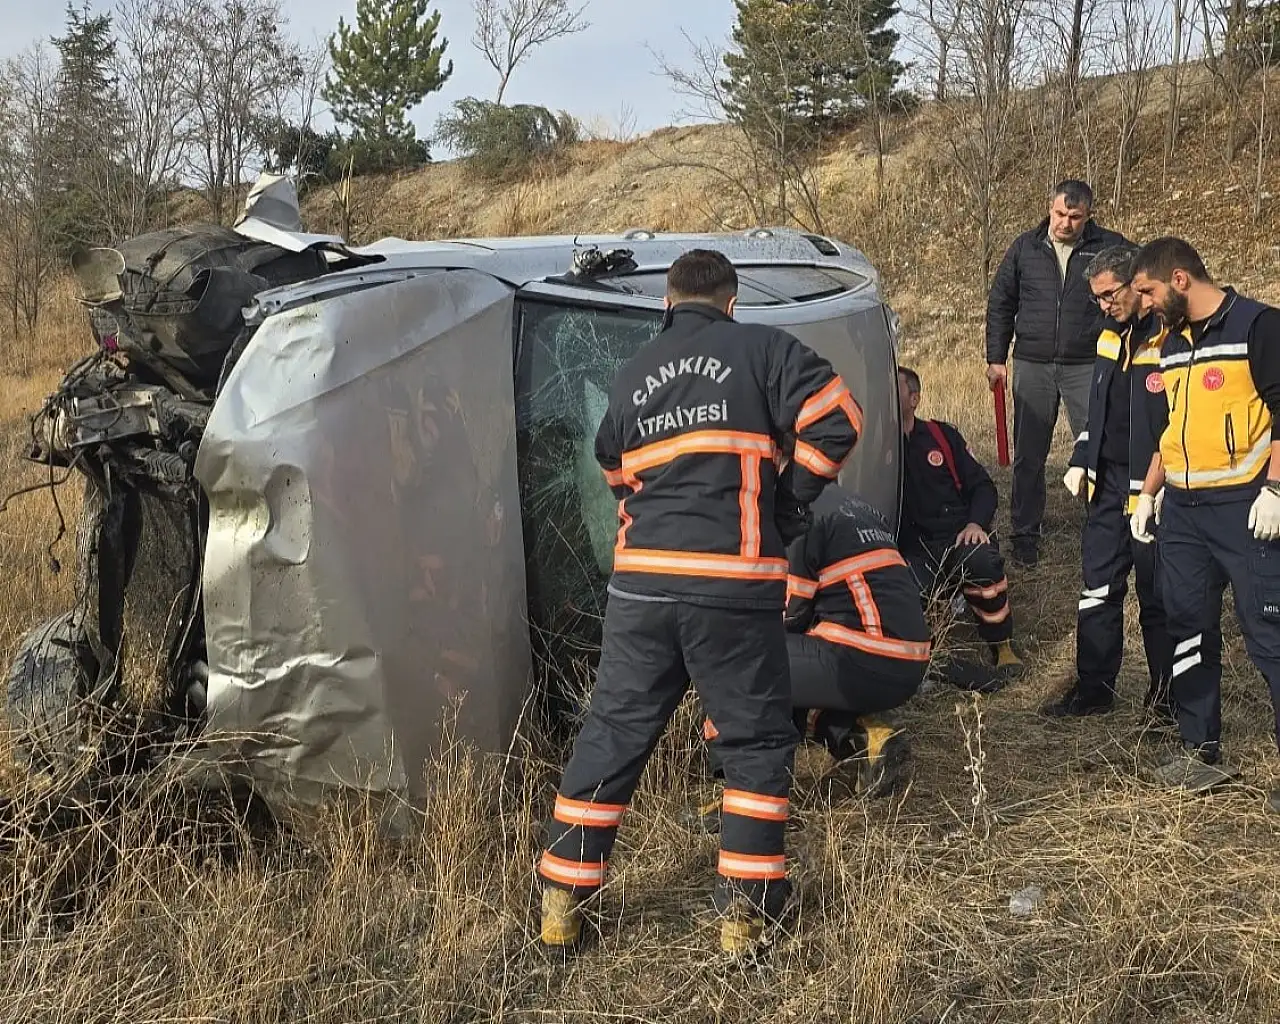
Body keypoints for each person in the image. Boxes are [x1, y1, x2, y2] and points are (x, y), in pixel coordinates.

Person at [537, 248, 861, 955]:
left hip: (642, 584)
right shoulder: (761, 348)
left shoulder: (632, 373)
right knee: (752, 741)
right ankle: (743, 917)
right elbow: (838, 419)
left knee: (613, 733)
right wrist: (785, 500)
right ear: (732, 302)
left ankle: (561, 899)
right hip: (731, 584)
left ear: (667, 304)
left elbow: (611, 466)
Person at [1128, 237, 1280, 796]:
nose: (1142, 302)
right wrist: (1149, 494)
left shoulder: (1258, 326)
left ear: (1180, 280)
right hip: (1184, 516)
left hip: (1246, 507)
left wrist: (1277, 489)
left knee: (1271, 633)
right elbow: (1173, 430)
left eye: (1148, 290)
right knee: (1187, 627)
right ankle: (1200, 751)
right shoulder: (1171, 345)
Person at [696, 489, 931, 825]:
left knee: (740, 660)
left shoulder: (795, 515)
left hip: (864, 652)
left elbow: (786, 613)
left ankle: (751, 796)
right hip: (904, 658)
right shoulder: (851, 503)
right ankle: (867, 736)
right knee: (793, 664)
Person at [1043, 243, 1180, 720]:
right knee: (1097, 590)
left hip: (1154, 489)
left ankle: (1165, 702)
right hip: (1106, 489)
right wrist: (1083, 456)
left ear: (1137, 282)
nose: (1103, 305)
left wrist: (1157, 487)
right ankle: (1094, 690)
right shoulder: (1108, 335)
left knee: (1158, 596)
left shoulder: (1170, 336)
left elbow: (1176, 420)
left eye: (1109, 295)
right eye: (1096, 298)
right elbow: (1098, 409)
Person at [985, 180, 1132, 566]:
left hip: (1087, 363)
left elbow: (1140, 288)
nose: (1065, 223)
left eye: (1075, 216)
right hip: (1032, 362)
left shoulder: (1110, 247)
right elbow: (1001, 302)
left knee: (1098, 446)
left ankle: (1103, 528)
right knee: (1029, 454)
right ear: (1049, 209)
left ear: (1089, 215)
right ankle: (1024, 535)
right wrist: (996, 357)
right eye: (1059, 214)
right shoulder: (1025, 247)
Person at [897, 365, 1024, 681]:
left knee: (981, 560)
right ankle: (930, 652)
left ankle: (1001, 643)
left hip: (956, 536)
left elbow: (982, 486)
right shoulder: (878, 446)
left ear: (914, 398)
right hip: (913, 547)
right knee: (904, 589)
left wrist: (975, 525)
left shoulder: (942, 436)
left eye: (895, 385)